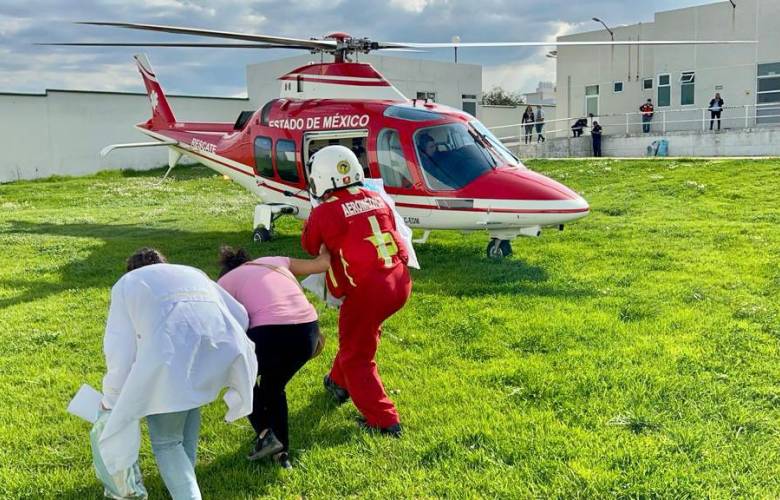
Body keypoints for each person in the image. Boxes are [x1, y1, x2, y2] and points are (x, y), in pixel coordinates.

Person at [99, 248, 257, 500]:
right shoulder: (191, 272)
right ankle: (185, 481)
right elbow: (239, 314)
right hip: (213, 352)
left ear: (131, 269)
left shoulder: (128, 283)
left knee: (167, 442)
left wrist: (111, 398)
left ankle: (186, 493)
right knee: (183, 427)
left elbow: (120, 348)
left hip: (169, 359)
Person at [301, 145, 412, 437]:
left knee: (356, 357)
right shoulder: (376, 197)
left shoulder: (325, 211)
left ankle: (384, 420)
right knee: (359, 336)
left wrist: (313, 218)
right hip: (398, 281)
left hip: (368, 291)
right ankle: (338, 383)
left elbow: (310, 245)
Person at [216, 245, 331, 469]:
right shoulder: (275, 260)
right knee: (273, 388)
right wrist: (325, 241)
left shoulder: (224, 282)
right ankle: (281, 454)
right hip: (308, 332)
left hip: (270, 332)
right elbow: (322, 264)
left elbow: (226, 325)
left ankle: (265, 433)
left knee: (238, 375)